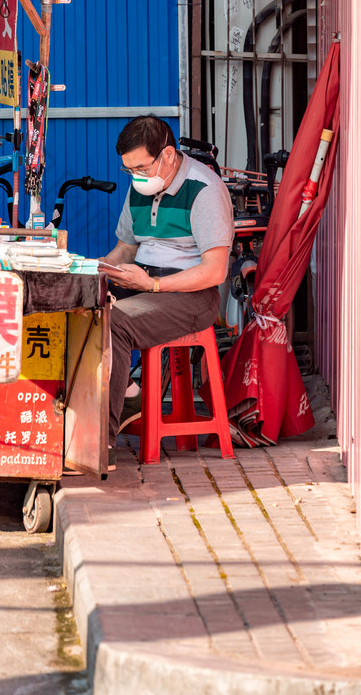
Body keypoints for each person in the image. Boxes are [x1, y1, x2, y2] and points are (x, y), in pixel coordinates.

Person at [99, 115, 234, 469]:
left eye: (141, 167)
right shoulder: (140, 186)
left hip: (190, 295)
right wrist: (94, 269)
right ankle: (129, 395)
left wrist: (154, 285)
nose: (136, 177)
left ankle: (99, 443)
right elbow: (125, 251)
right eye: (129, 170)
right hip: (142, 282)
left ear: (169, 155)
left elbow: (215, 271)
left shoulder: (204, 190)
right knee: (79, 307)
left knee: (114, 323)